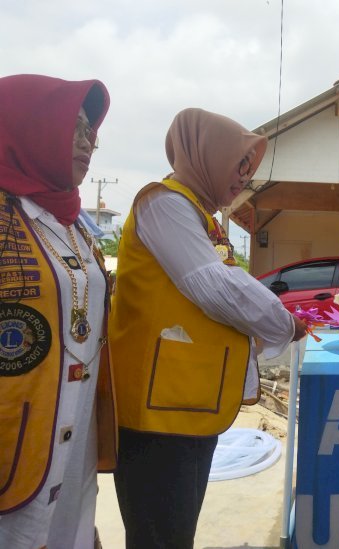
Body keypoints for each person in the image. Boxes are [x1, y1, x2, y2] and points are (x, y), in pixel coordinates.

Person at [109, 107, 307, 548]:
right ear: (206, 156)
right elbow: (214, 286)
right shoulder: (164, 203)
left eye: (247, 170)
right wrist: (284, 322)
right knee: (160, 534)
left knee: (174, 531)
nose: (242, 179)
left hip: (186, 402)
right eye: (236, 165)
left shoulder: (198, 213)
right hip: (157, 414)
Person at [0, 74, 116, 548]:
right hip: (14, 430)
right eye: (76, 126)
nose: (89, 141)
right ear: (31, 126)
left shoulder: (73, 224)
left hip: (75, 424)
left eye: (92, 131)